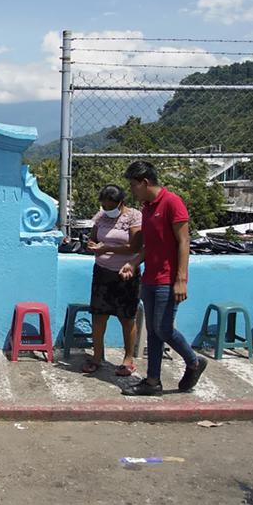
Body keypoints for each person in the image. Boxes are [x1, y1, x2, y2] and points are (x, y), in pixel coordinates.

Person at [118, 161, 207, 396]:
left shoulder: (172, 203)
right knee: (155, 332)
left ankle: (194, 362)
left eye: (134, 185)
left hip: (168, 279)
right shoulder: (147, 208)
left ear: (145, 183)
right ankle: (152, 381)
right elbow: (150, 245)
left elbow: (184, 242)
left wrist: (181, 279)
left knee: (163, 328)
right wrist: (134, 263)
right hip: (149, 278)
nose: (133, 191)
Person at [82, 185, 142, 376]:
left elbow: (134, 247)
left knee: (126, 317)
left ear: (121, 202)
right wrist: (92, 245)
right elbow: (93, 238)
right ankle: (97, 356)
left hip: (125, 274)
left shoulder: (134, 217)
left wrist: (106, 248)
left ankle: (128, 358)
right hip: (102, 272)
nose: (107, 210)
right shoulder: (101, 217)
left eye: (110, 206)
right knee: (99, 316)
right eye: (104, 206)